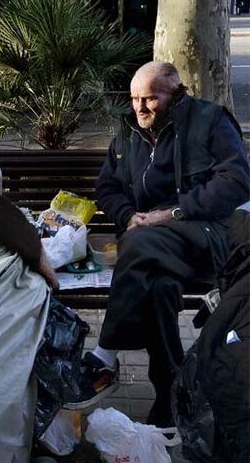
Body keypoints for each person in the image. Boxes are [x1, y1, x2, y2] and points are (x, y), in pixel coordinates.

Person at [66, 61, 249, 426]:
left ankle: (104, 355)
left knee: (138, 243)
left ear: (176, 94)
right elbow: (107, 187)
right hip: (152, 247)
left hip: (205, 235)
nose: (140, 108)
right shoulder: (129, 130)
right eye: (135, 99)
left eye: (150, 99)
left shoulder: (210, 121)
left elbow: (237, 181)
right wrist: (127, 216)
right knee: (157, 287)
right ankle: (171, 398)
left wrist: (174, 214)